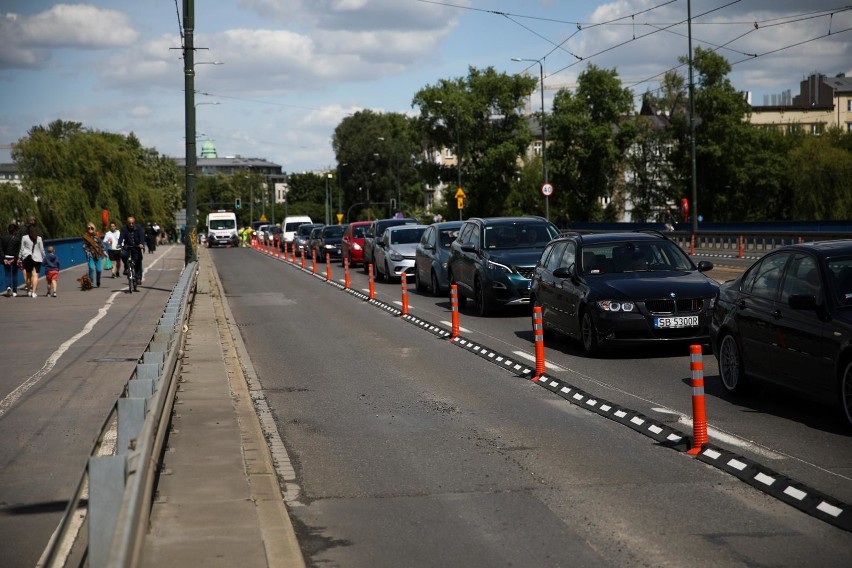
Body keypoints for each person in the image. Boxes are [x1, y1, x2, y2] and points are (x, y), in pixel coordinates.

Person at [18, 224, 45, 298]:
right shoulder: (39, 238)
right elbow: (42, 250)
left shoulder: (24, 238)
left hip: (27, 258)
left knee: (28, 276)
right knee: (35, 275)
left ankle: (29, 291)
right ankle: (34, 292)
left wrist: (19, 257)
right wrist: (44, 256)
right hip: (37, 258)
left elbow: (22, 248)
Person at [118, 216, 146, 284]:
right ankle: (126, 268)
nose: (131, 225)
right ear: (127, 223)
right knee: (123, 254)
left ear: (134, 223)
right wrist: (119, 244)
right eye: (129, 223)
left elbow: (142, 236)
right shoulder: (124, 228)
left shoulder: (138, 228)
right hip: (127, 246)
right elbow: (121, 236)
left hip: (137, 246)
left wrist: (141, 244)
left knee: (138, 261)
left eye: (132, 223)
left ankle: (138, 278)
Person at [82, 222, 106, 287]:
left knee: (99, 270)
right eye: (88, 228)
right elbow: (84, 246)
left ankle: (98, 280)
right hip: (91, 255)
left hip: (98, 255)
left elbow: (101, 244)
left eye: (91, 228)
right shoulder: (85, 236)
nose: (90, 229)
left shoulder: (97, 235)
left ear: (94, 228)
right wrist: (87, 252)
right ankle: (91, 282)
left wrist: (104, 252)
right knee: (91, 268)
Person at [2, 223, 21, 297]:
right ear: (15, 231)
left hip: (6, 257)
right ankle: (15, 291)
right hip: (14, 258)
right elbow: (18, 250)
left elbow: (1, 249)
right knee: (14, 274)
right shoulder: (17, 239)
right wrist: (14, 259)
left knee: (7, 274)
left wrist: (4, 258)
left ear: (8, 230)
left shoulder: (3, 238)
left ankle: (8, 287)